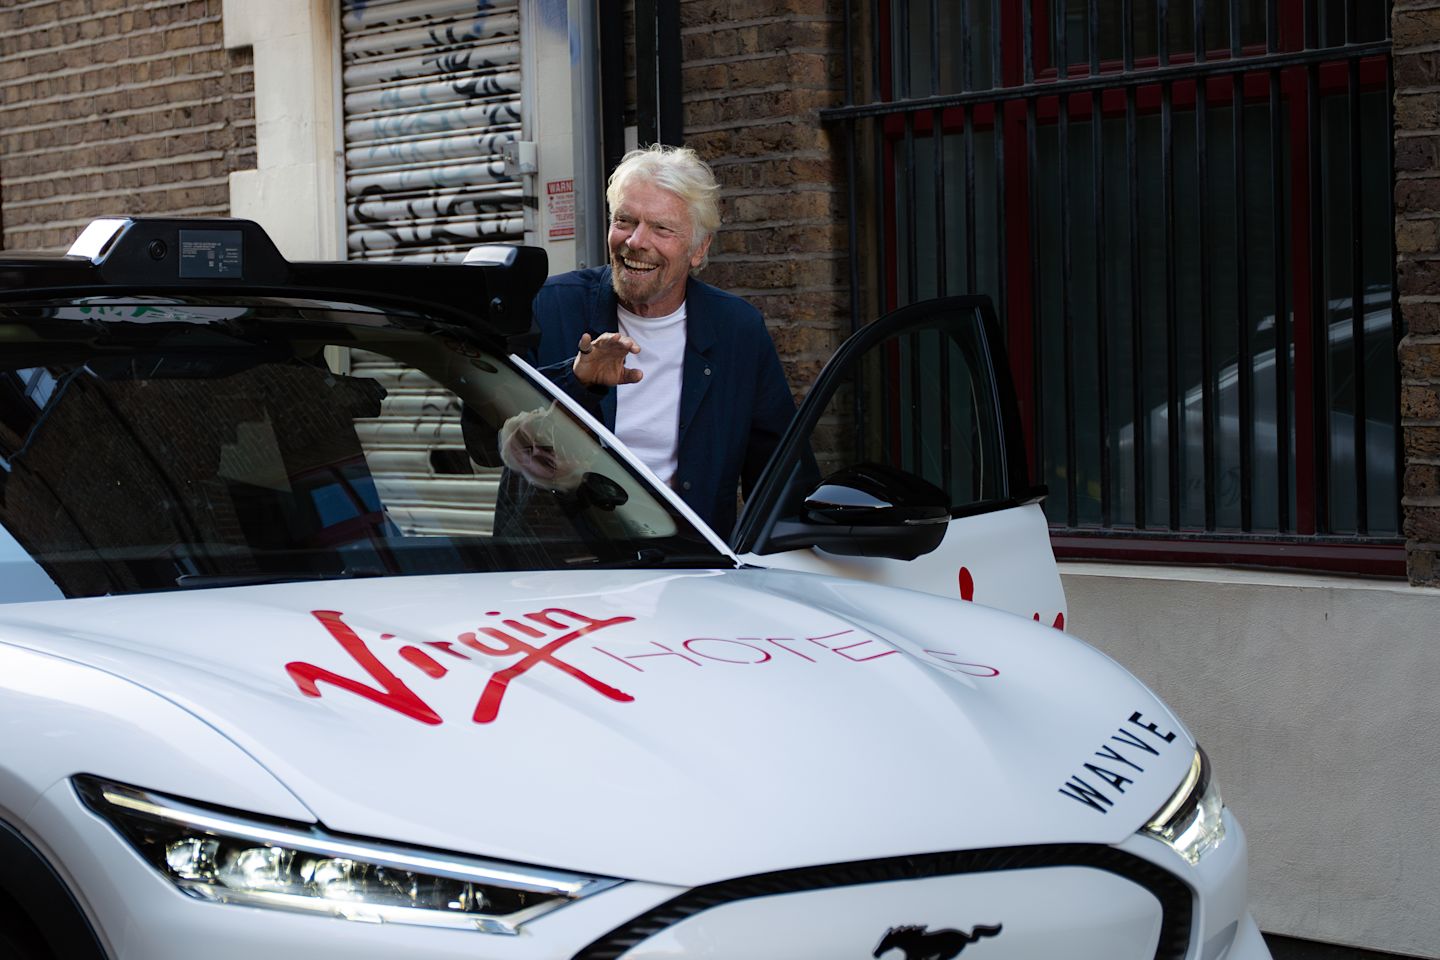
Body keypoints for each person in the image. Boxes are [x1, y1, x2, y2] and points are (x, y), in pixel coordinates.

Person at [529, 144, 796, 539]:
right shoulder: (551, 306)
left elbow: (780, 480)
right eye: (625, 221)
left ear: (699, 249)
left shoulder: (737, 330)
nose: (636, 241)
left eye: (661, 228)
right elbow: (485, 440)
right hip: (562, 562)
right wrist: (577, 381)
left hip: (688, 562)